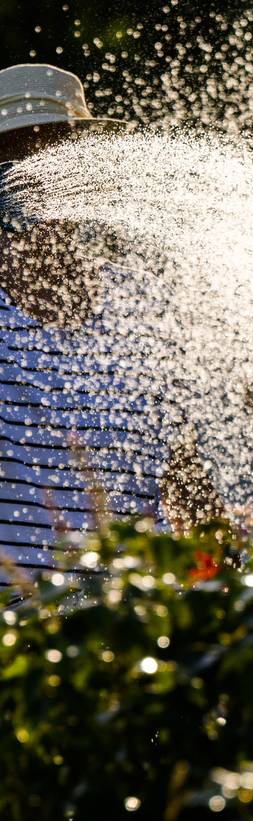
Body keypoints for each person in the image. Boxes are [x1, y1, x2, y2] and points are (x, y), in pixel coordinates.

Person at [0, 63, 221, 600]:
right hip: (22, 625)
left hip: (140, 619)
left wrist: (218, 602)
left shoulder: (143, 303)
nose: (33, 174)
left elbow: (184, 478)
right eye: (13, 156)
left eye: (52, 151)